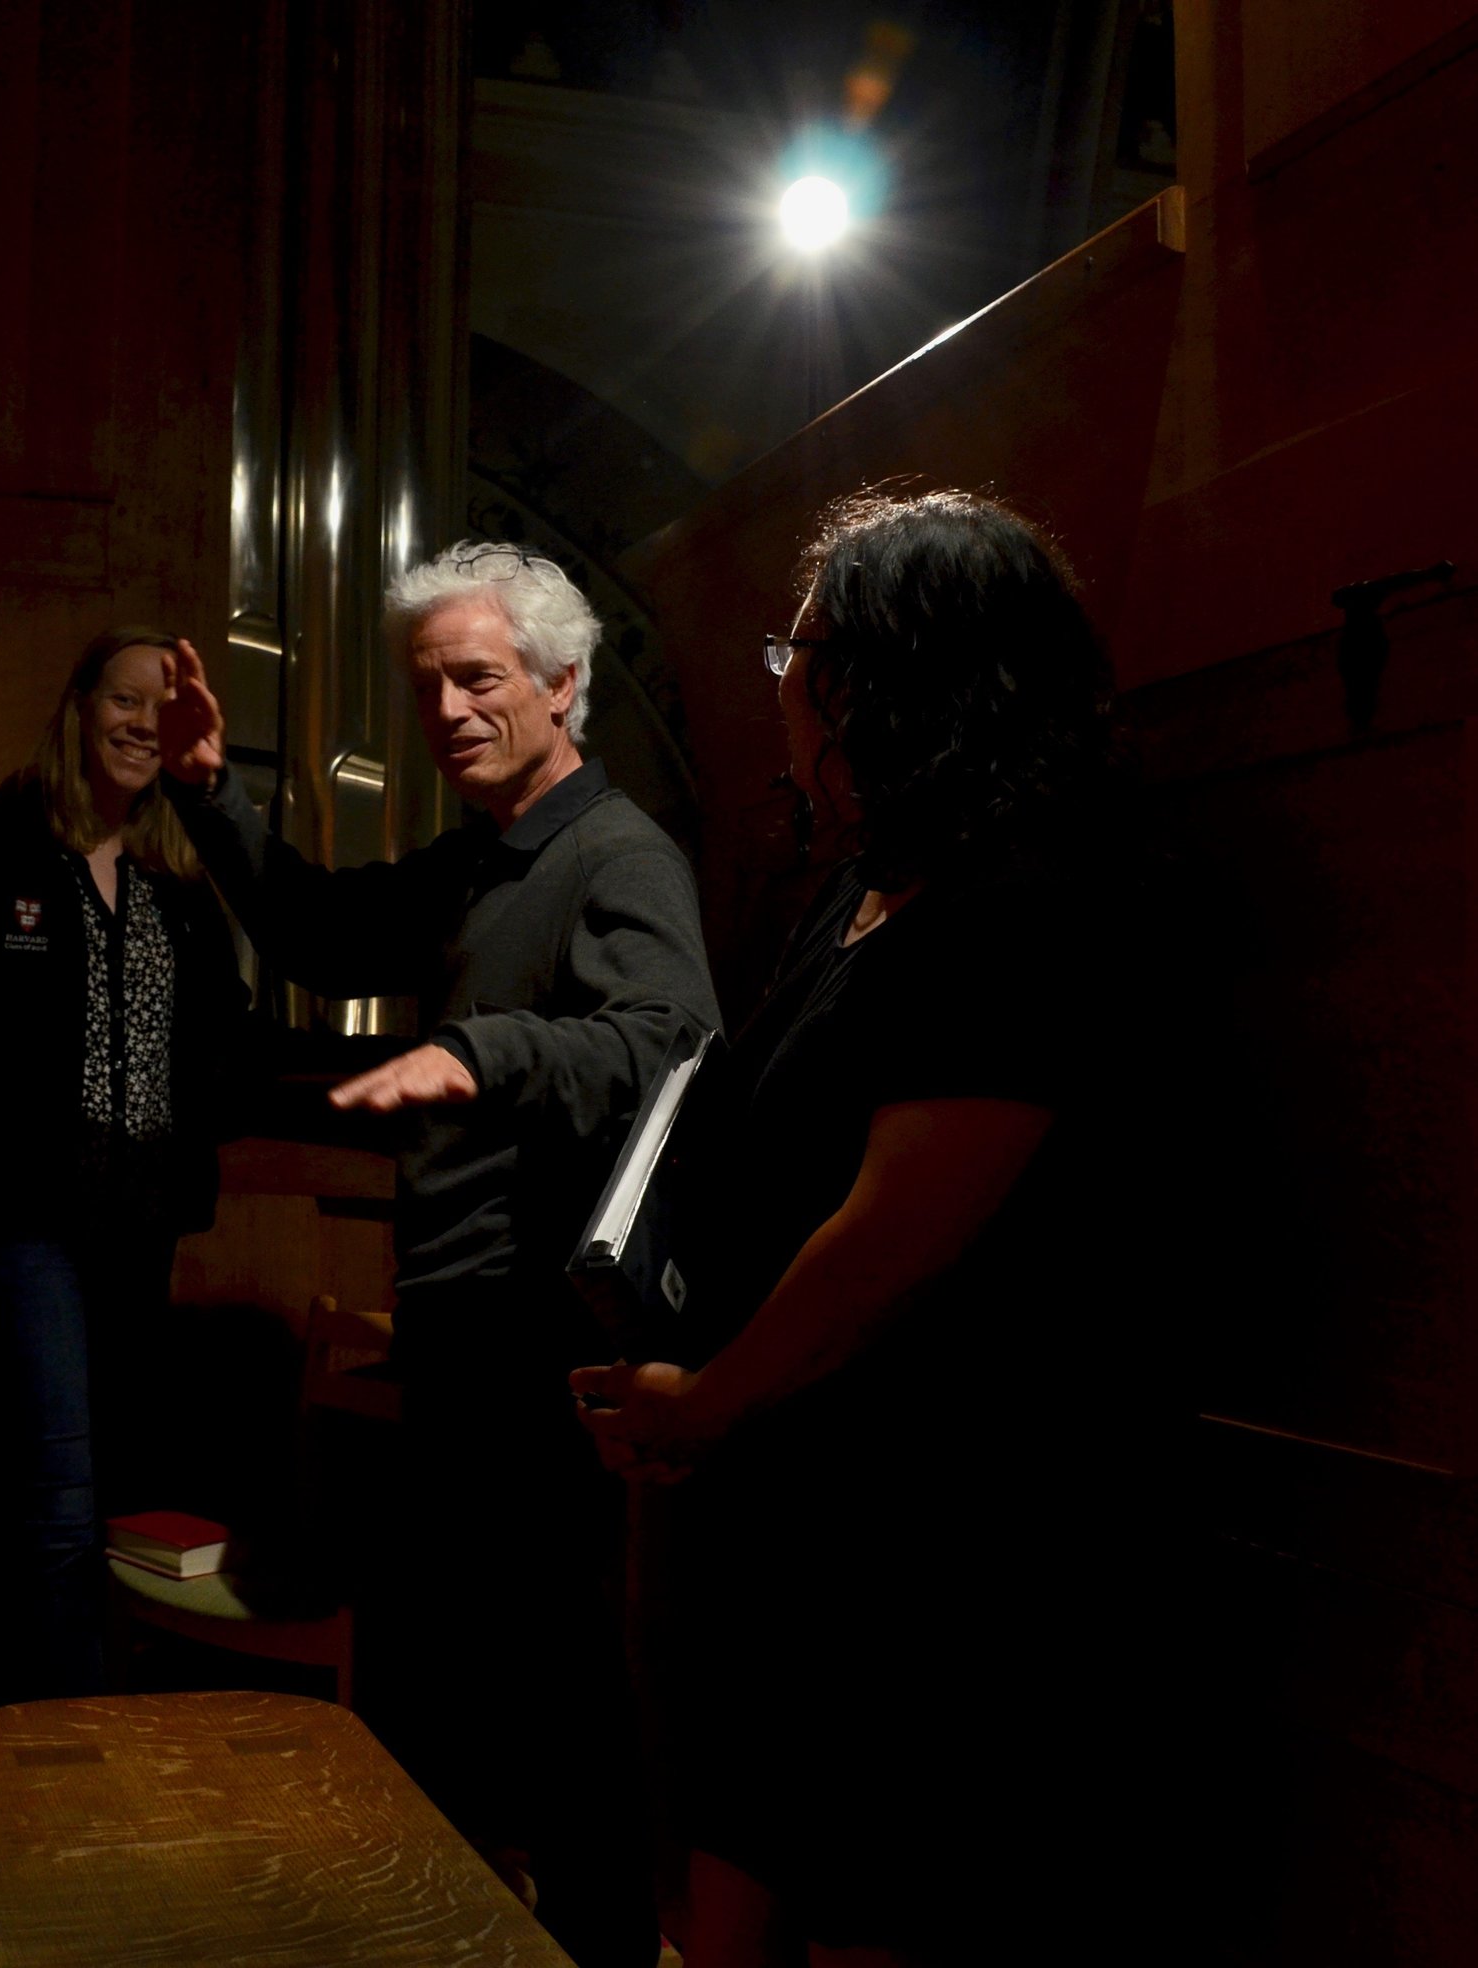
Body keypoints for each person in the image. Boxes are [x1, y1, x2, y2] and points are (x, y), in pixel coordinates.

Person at [572, 490, 1179, 1966]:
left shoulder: (1020, 901)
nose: (785, 684)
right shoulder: (861, 888)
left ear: (897, 679)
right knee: (734, 1892)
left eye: (806, 652)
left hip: (933, 1543)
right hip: (793, 1515)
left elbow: (894, 1236)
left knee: (870, 1897)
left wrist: (709, 1398)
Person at [156, 543, 720, 1968]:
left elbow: (669, 1045)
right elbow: (325, 933)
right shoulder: (482, 856)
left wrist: (477, 1051)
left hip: (545, 1327)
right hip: (464, 1313)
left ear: (564, 682)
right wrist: (211, 793)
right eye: (431, 688)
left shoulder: (617, 853)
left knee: (558, 1677)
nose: (452, 710)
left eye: (479, 678)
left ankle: (599, 1944)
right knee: (474, 1674)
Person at [0, 626, 252, 1711]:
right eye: (123, 700)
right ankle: (63, 1761)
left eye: (160, 709)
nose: (141, 724)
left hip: (139, 1230)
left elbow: (230, 1046)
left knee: (105, 1502)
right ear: (78, 708)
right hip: (18, 1225)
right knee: (52, 1500)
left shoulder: (181, 887)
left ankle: (61, 1744)